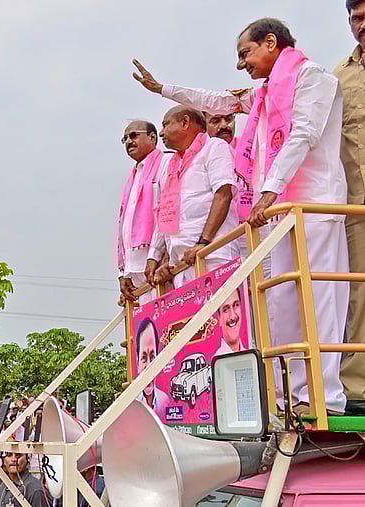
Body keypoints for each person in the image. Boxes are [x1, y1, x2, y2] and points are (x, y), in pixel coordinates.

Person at [134, 17, 349, 416]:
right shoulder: (264, 95)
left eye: (245, 54)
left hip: (312, 203)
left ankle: (324, 396)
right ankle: (289, 396)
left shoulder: (313, 79)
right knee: (281, 301)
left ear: (270, 42)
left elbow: (304, 134)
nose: (241, 65)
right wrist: (162, 88)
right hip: (276, 213)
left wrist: (269, 190)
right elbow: (217, 101)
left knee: (319, 297)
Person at [144, 106, 238, 289]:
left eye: (165, 125)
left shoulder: (214, 147)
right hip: (182, 264)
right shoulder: (170, 164)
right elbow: (167, 213)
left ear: (185, 122)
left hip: (213, 255)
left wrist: (203, 243)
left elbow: (223, 194)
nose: (161, 132)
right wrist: (159, 258)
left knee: (221, 308)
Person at [336, 0, 365, 416]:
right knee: (359, 293)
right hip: (358, 204)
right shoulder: (338, 77)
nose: (361, 25)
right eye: (356, 19)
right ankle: (358, 386)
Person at [117, 120, 171, 304]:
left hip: (159, 264)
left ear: (152, 137)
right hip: (136, 269)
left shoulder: (166, 163)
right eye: (125, 139)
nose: (129, 141)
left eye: (133, 135)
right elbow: (125, 226)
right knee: (147, 321)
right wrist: (123, 273)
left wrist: (159, 256)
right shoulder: (133, 177)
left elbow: (168, 210)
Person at [135, 318, 170, 418]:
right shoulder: (132, 403)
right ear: (137, 363)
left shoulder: (165, 401)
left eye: (152, 357)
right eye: (144, 358)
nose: (148, 366)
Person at [216, 288, 248, 356]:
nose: (232, 317)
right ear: (219, 319)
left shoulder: (251, 356)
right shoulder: (215, 361)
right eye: (225, 309)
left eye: (236, 305)